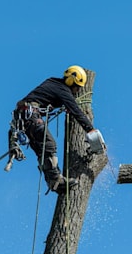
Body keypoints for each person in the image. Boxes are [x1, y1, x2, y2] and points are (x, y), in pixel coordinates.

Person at [7, 65, 101, 194]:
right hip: (31, 117)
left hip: (23, 120)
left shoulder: (52, 82)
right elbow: (76, 111)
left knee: (43, 152)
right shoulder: (63, 90)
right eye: (77, 87)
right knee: (49, 144)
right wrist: (90, 130)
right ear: (71, 81)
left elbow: (48, 98)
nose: (76, 91)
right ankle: (56, 180)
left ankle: (54, 182)